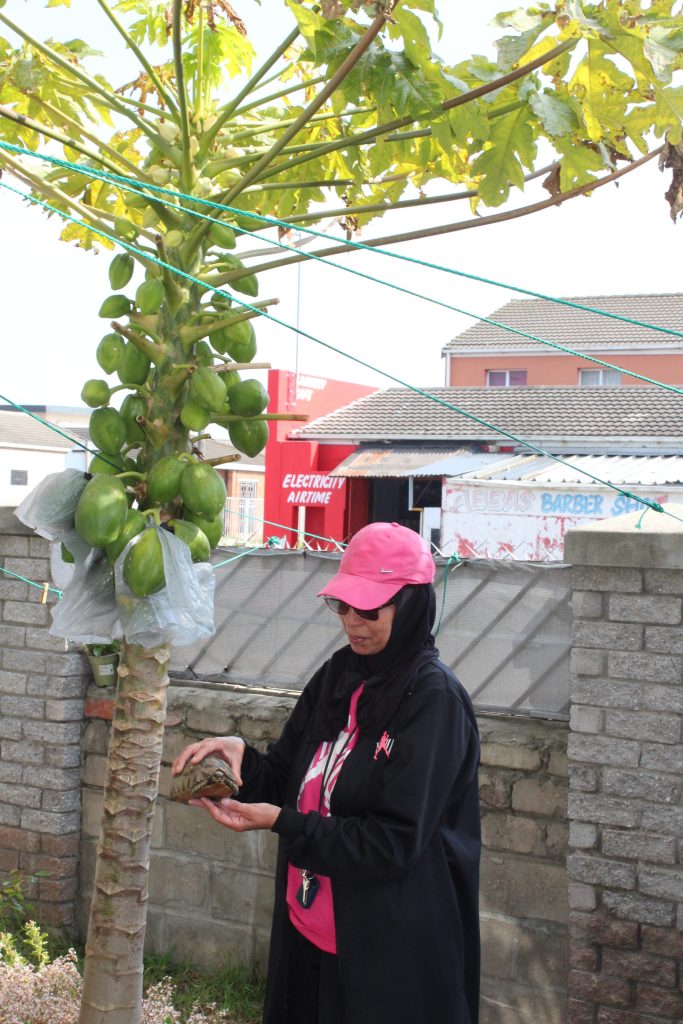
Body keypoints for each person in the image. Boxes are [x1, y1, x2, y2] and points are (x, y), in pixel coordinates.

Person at [172, 521, 481, 1024]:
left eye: (369, 608)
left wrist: (281, 823)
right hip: (310, 930)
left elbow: (393, 843)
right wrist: (241, 761)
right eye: (343, 605)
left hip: (387, 955)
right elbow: (286, 776)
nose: (352, 622)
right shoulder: (340, 672)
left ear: (411, 607)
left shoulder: (434, 701)